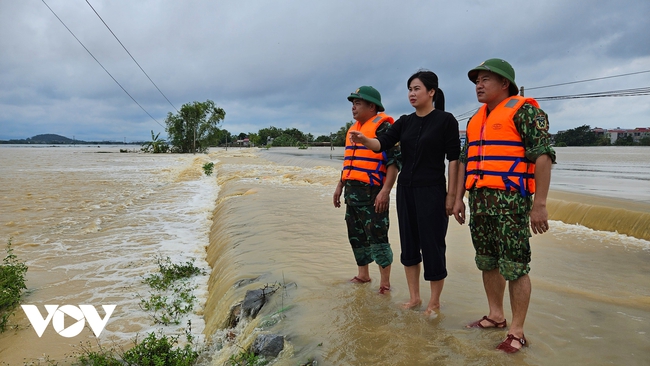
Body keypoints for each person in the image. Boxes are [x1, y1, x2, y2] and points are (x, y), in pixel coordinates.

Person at [451, 58, 556, 353]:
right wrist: (458, 198)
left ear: (504, 84)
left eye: (485, 80)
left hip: (511, 202)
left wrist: (540, 205)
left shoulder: (525, 111)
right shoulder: (475, 119)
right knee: (487, 260)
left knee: (516, 266)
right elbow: (464, 160)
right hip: (480, 202)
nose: (478, 86)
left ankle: (517, 331)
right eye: (476, 82)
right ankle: (495, 316)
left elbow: (543, 157)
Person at [349, 71, 460, 315]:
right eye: (409, 89)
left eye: (417, 88)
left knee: (433, 245)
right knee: (409, 246)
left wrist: (452, 196)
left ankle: (434, 301)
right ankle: (414, 298)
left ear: (431, 92)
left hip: (432, 191)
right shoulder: (405, 121)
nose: (411, 93)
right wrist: (364, 140)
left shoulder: (446, 120)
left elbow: (454, 160)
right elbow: (383, 143)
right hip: (406, 191)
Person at [333, 86, 400, 294]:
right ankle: (363, 274)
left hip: (373, 194)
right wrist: (339, 186)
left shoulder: (383, 129)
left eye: (358, 103)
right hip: (352, 193)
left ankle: (385, 283)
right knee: (356, 235)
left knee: (378, 237)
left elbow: (394, 163)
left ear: (372, 106)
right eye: (352, 103)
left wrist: (386, 191)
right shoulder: (353, 130)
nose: (353, 107)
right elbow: (349, 163)